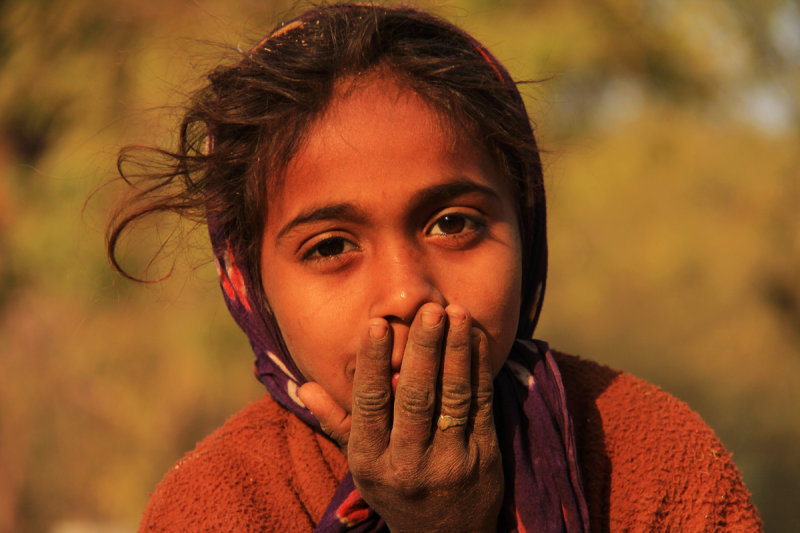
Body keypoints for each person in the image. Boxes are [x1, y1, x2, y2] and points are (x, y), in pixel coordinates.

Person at [107, 4, 762, 531]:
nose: (405, 291)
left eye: (453, 223)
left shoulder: (649, 459)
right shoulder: (222, 504)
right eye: (331, 246)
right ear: (253, 287)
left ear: (525, 230)